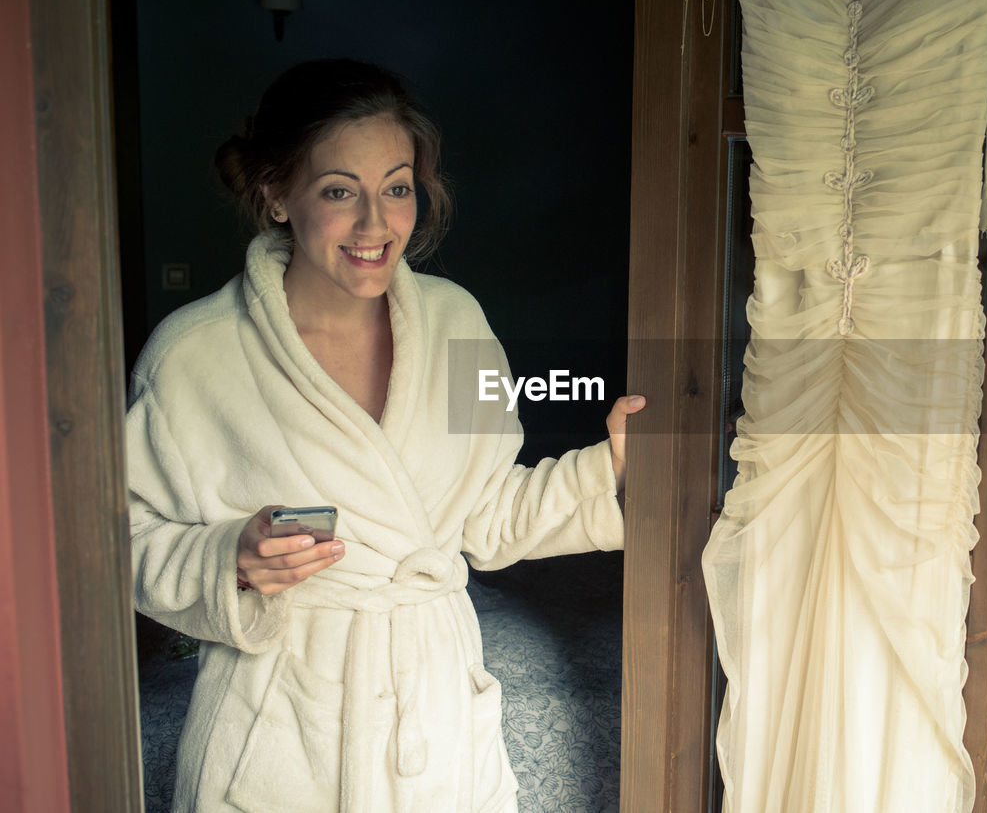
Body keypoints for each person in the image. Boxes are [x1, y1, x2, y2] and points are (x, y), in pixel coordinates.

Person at [126, 58, 644, 812]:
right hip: (281, 734)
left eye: (396, 187)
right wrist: (228, 558)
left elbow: (491, 512)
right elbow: (124, 539)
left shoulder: (456, 323)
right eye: (340, 191)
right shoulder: (192, 355)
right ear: (277, 194)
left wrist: (611, 470)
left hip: (431, 717)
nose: (377, 225)